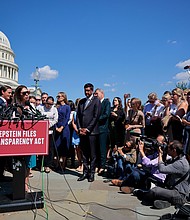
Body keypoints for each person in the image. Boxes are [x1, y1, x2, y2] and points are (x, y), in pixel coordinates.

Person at [134, 140, 190, 209]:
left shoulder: (181, 163)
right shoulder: (176, 159)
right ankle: (166, 201)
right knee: (150, 182)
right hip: (171, 189)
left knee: (154, 191)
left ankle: (144, 195)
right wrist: (163, 153)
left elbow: (162, 169)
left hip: (179, 195)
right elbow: (164, 162)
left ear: (174, 150)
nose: (167, 149)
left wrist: (160, 154)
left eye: (169, 148)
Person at [13, 85, 37, 192]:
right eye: (24, 93)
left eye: (28, 92)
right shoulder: (14, 106)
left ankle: (26, 184)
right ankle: (19, 185)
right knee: (19, 164)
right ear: (19, 94)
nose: (27, 95)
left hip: (30, 138)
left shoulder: (31, 106)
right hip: (19, 139)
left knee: (28, 164)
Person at [77, 83, 101, 182]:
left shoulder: (96, 101)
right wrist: (79, 128)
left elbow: (96, 116)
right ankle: (85, 172)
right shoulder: (81, 102)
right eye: (85, 90)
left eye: (88, 90)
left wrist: (87, 129)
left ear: (92, 91)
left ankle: (91, 173)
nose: (87, 92)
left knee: (92, 153)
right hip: (82, 131)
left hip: (92, 132)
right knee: (84, 153)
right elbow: (78, 116)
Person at [37, 96, 58, 173]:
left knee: (50, 147)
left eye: (51, 104)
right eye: (48, 103)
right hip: (41, 128)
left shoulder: (54, 109)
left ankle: (48, 165)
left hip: (50, 128)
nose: (49, 105)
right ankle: (40, 164)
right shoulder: (40, 108)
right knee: (41, 147)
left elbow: (56, 119)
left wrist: (48, 125)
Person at [94, 88, 111, 175]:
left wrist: (95, 120)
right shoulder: (95, 103)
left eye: (97, 93)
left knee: (102, 148)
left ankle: (102, 166)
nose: (95, 95)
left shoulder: (106, 102)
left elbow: (106, 114)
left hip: (102, 129)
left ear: (102, 93)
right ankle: (96, 164)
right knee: (96, 148)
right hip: (95, 129)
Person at [54, 92, 70, 172]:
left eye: (60, 96)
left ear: (64, 97)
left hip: (64, 128)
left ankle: (63, 165)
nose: (58, 98)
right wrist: (56, 127)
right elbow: (54, 117)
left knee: (64, 146)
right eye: (57, 96)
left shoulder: (67, 107)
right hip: (57, 126)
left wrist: (62, 127)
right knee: (57, 145)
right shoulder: (56, 107)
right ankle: (57, 164)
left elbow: (67, 118)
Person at [0, 85, 12, 179]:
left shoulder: (7, 102)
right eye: (9, 92)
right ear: (2, 92)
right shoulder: (1, 102)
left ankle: (1, 174)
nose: (10, 95)